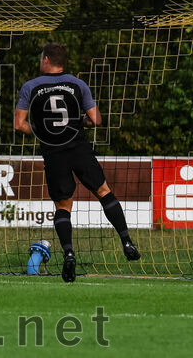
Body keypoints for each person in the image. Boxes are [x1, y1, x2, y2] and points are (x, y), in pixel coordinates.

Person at [14, 42, 140, 283]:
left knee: (63, 206)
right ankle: (126, 240)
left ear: (47, 60)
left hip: (53, 153)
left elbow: (19, 124)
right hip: (79, 148)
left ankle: (69, 252)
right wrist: (80, 122)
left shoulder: (30, 86)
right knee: (104, 191)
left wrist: (42, 131)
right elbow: (96, 120)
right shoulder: (78, 84)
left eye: (41, 58)